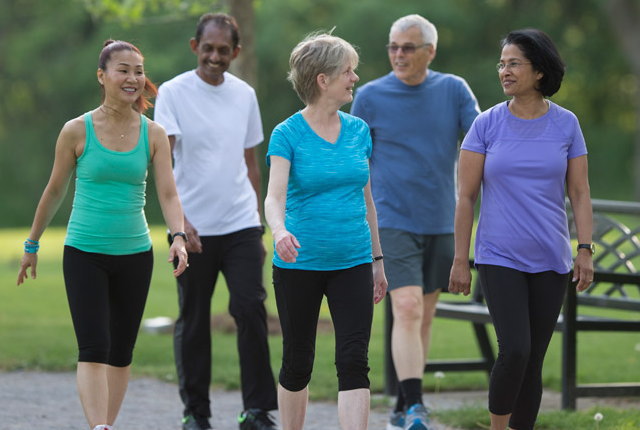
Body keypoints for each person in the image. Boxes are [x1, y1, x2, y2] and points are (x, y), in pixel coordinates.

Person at [16, 40, 188, 430]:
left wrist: (177, 235)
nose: (133, 78)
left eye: (138, 71)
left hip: (135, 254)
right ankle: (99, 427)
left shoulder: (154, 133)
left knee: (121, 352)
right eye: (123, 70)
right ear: (102, 76)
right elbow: (55, 190)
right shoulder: (76, 130)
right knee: (94, 348)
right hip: (84, 252)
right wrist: (32, 244)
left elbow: (168, 193)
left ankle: (105, 425)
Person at [448, 28, 594, 430]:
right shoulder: (485, 124)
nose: (504, 71)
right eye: (502, 63)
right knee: (515, 349)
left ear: (540, 72)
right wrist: (461, 259)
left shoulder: (567, 125)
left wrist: (584, 249)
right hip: (499, 256)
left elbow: (580, 193)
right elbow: (466, 197)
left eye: (514, 63)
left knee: (533, 360)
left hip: (551, 258)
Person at [350, 14, 480, 430]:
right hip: (391, 219)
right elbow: (356, 161)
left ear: (430, 51)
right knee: (405, 308)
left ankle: (403, 404)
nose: (398, 55)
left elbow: (481, 142)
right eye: (393, 47)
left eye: (408, 47)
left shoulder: (453, 90)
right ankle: (416, 406)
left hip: (442, 220)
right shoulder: (369, 97)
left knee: (422, 316)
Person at [153, 12, 278, 430]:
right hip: (191, 229)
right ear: (195, 47)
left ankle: (257, 411)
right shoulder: (173, 92)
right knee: (192, 319)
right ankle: (196, 414)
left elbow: (251, 164)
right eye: (208, 48)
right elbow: (163, 164)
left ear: (235, 53)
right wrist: (179, 223)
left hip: (240, 223)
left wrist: (258, 225)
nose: (215, 56)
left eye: (224, 50)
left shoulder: (244, 94)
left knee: (250, 310)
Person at [264, 33, 388, 430]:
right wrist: (280, 231)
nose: (354, 78)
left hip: (352, 260)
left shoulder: (358, 131)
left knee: (354, 359)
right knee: (298, 360)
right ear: (322, 79)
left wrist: (378, 260)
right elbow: (274, 197)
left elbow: (367, 201)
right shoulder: (287, 134)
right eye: (347, 71)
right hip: (300, 262)